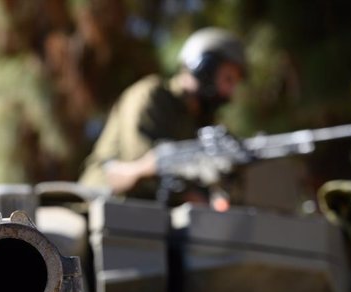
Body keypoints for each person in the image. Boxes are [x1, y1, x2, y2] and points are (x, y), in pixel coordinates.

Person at [78, 27, 246, 200]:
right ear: (204, 67)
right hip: (103, 201)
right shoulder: (152, 94)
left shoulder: (202, 122)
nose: (230, 92)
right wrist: (191, 193)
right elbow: (142, 162)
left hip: (153, 212)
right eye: (228, 79)